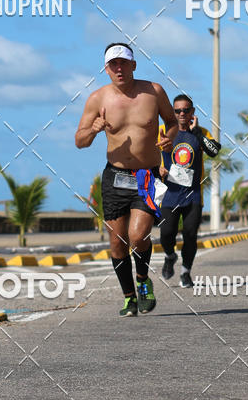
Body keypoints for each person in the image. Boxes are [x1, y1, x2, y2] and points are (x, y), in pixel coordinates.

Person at [75, 43, 177, 317]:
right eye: (113, 64)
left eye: (123, 63)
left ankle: (143, 280)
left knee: (137, 235)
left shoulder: (153, 92)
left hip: (147, 176)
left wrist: (170, 138)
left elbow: (172, 121)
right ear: (106, 69)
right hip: (115, 176)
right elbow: (79, 141)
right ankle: (129, 297)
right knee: (118, 242)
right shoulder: (98, 99)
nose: (118, 69)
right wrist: (94, 130)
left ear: (133, 65)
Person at [158, 94, 221, 288]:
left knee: (190, 234)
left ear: (192, 112)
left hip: (193, 194)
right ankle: (170, 256)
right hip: (169, 194)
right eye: (177, 111)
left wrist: (198, 134)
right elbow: (146, 154)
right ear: (172, 112)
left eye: (186, 110)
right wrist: (156, 169)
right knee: (166, 233)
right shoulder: (161, 131)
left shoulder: (200, 132)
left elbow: (214, 151)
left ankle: (186, 271)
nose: (182, 114)